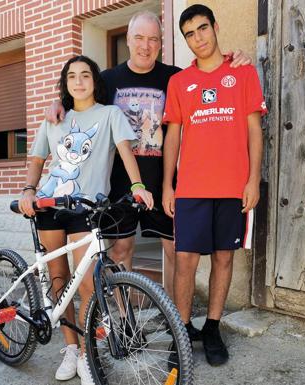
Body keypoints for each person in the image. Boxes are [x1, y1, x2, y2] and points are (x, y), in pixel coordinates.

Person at [45, 12, 253, 326]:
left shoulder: (175, 77)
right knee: (121, 250)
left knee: (174, 251)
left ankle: (172, 317)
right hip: (120, 183)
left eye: (153, 39)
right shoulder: (109, 80)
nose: (146, 45)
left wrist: (236, 57)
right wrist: (56, 103)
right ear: (128, 40)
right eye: (139, 38)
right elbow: (79, 97)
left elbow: (206, 78)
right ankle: (126, 319)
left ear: (161, 43)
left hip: (164, 182)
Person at [19, 55, 153, 385]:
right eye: (72, 77)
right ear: (65, 83)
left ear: (95, 80)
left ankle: (85, 353)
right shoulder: (55, 119)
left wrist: (138, 186)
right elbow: (38, 158)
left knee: (89, 286)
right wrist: (27, 190)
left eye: (85, 75)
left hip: (86, 209)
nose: (79, 82)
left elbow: (125, 151)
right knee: (59, 279)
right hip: (50, 205)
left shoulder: (110, 115)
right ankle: (69, 348)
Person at [162, 4, 267, 366]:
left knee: (224, 257)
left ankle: (212, 327)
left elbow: (255, 130)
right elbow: (172, 135)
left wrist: (253, 180)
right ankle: (182, 329)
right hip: (191, 188)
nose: (198, 39)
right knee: (186, 260)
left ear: (215, 26)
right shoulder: (178, 82)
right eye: (189, 34)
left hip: (232, 187)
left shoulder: (242, 72)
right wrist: (166, 185)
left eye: (202, 29)